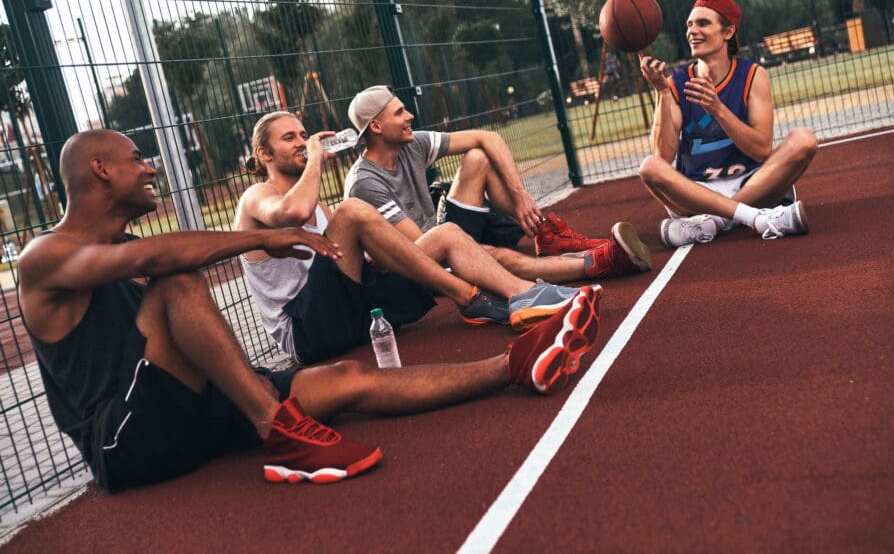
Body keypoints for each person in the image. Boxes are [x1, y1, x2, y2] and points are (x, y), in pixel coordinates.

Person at [16, 129, 604, 491]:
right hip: (123, 440)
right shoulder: (45, 257)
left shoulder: (116, 246)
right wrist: (260, 238)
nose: (150, 166)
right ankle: (277, 429)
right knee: (176, 285)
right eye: (137, 158)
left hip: (184, 406)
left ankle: (511, 365)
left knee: (345, 378)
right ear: (100, 169)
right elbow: (161, 256)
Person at [235, 111, 586, 363]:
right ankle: (469, 296)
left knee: (445, 233)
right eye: (289, 138)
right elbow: (292, 212)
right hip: (306, 330)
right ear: (264, 154)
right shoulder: (256, 197)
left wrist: (377, 257)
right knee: (351, 210)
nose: (301, 143)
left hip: (353, 313)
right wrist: (315, 159)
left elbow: (340, 265)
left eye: (303, 135)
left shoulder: (321, 209)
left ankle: (522, 294)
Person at [341, 86, 652, 284]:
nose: (410, 115)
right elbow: (422, 249)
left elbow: (487, 138)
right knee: (496, 257)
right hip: (417, 264)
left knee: (478, 157)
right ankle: (599, 263)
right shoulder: (365, 183)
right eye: (399, 113)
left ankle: (543, 232)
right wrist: (473, 251)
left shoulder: (411, 145)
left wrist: (520, 197)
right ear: (377, 126)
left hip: (438, 235)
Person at [637, 0, 818, 247]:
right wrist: (662, 93)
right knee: (649, 167)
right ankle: (756, 217)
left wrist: (718, 109)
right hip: (697, 193)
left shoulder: (752, 75)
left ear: (728, 31)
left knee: (804, 140)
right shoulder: (676, 83)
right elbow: (663, 156)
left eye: (703, 23)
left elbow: (761, 150)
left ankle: (716, 222)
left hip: (751, 183)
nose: (692, 31)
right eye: (690, 24)